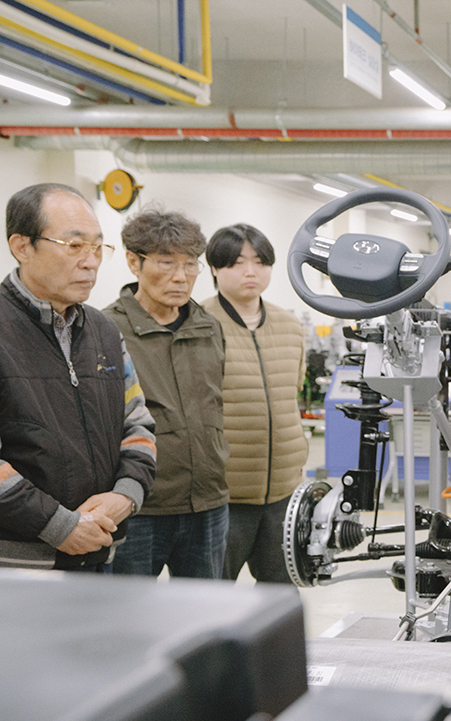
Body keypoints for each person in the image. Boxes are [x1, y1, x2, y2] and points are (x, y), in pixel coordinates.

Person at [0, 184, 156, 570]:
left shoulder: (104, 331)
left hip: (99, 551)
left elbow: (138, 425)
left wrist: (125, 495)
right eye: (74, 247)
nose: (91, 262)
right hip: (19, 566)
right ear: (22, 247)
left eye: (98, 247)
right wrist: (59, 525)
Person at [104, 207, 229, 579]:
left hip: (208, 502)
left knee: (204, 621)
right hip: (141, 507)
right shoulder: (106, 331)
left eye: (191, 265)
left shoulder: (208, 327)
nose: (181, 277)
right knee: (130, 620)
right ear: (133, 262)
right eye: (166, 262)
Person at [201, 224, 307, 583]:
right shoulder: (197, 325)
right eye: (237, 263)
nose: (251, 272)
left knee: (281, 597)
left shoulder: (291, 326)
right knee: (211, 596)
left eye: (260, 262)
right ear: (215, 268)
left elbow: (293, 394)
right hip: (224, 496)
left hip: (283, 495)